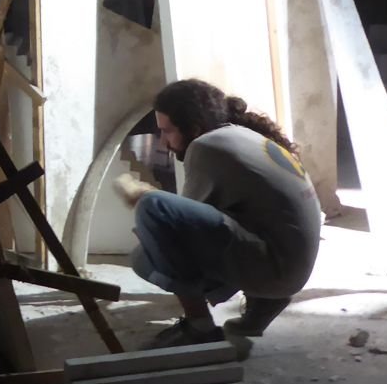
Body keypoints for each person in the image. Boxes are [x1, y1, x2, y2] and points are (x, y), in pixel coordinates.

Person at [117, 78, 323, 352]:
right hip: (289, 265)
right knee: (159, 228)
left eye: (167, 131)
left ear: (194, 128)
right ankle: (264, 301)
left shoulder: (206, 147)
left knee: (150, 228)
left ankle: (199, 327)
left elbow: (178, 234)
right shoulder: (241, 135)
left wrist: (142, 202)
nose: (164, 142)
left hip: (278, 269)